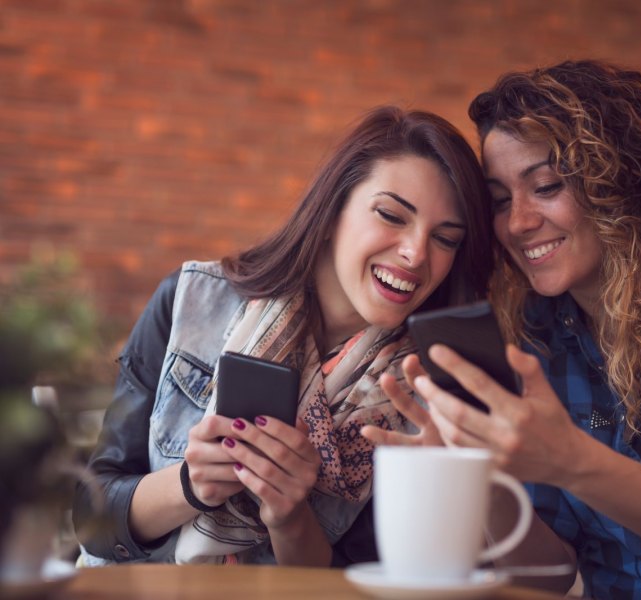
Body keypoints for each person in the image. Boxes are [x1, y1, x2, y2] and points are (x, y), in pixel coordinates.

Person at [363, 60, 641, 597]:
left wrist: (572, 461)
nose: (518, 222)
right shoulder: (534, 328)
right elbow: (546, 576)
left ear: (623, 182)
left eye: (546, 185)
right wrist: (478, 479)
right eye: (501, 200)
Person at [72, 106, 494, 567]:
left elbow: (367, 581)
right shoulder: (192, 300)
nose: (415, 254)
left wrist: (290, 514)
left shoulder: (423, 392)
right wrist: (191, 484)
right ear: (333, 211)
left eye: (446, 239)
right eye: (392, 215)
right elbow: (90, 516)